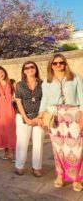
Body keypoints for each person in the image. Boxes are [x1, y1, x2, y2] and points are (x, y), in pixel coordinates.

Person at [38, 53, 83, 192]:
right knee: (58, 148)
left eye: (61, 62)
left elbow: (82, 96)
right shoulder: (47, 81)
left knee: (76, 148)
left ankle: (77, 178)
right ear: (51, 65)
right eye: (55, 63)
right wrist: (40, 116)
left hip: (73, 115)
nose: (58, 65)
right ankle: (60, 175)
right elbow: (44, 99)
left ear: (65, 63)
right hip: (54, 116)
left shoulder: (75, 77)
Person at [14, 61, 44, 177]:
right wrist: (26, 118)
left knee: (38, 142)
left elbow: (45, 100)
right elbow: (18, 102)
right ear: (24, 70)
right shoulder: (20, 84)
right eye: (27, 68)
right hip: (23, 117)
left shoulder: (43, 83)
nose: (30, 69)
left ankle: (37, 167)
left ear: (35, 69)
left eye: (32, 67)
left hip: (39, 117)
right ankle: (19, 166)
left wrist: (39, 117)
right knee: (22, 141)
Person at [0, 66, 17, 160]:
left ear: (5, 72)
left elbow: (18, 95)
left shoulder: (12, 82)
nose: (0, 74)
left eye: (1, 72)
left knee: (12, 132)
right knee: (2, 131)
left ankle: (15, 153)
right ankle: (6, 153)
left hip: (10, 110)